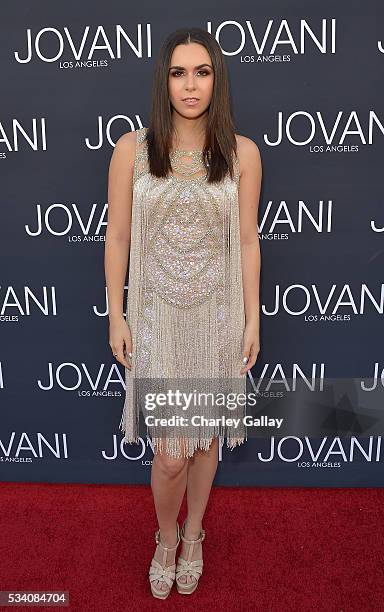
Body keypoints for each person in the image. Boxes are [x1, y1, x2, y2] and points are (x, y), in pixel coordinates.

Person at [105, 27, 262, 599]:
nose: (190, 85)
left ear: (216, 80)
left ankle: (195, 534)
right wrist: (116, 316)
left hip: (217, 319)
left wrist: (253, 318)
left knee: (205, 443)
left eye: (201, 72)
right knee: (171, 453)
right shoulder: (133, 150)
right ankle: (165, 536)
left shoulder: (242, 153)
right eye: (178, 72)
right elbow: (117, 236)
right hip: (158, 322)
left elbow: (247, 242)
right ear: (163, 80)